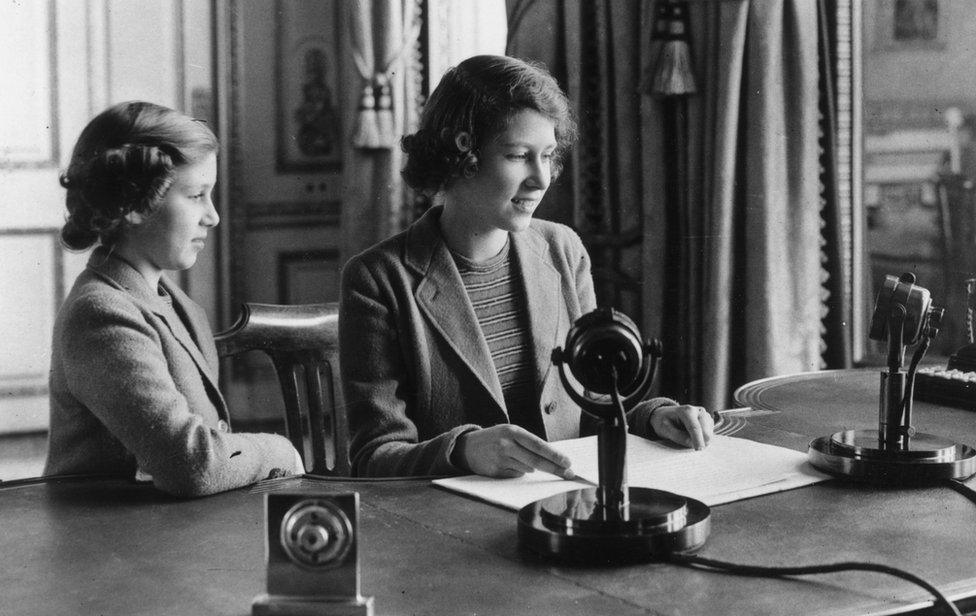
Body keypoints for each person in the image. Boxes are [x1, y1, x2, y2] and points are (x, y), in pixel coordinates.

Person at [340, 54, 713, 478]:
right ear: (460, 156)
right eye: (519, 155)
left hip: (564, 506)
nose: (542, 179)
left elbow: (590, 399)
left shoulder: (562, 249)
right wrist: (463, 452)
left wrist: (652, 416)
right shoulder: (376, 280)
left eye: (549, 155)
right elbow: (373, 456)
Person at [44, 101, 304, 497]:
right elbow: (192, 464)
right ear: (133, 203)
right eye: (196, 195)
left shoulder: (176, 303)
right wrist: (280, 450)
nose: (213, 216)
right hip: (107, 546)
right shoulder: (100, 314)